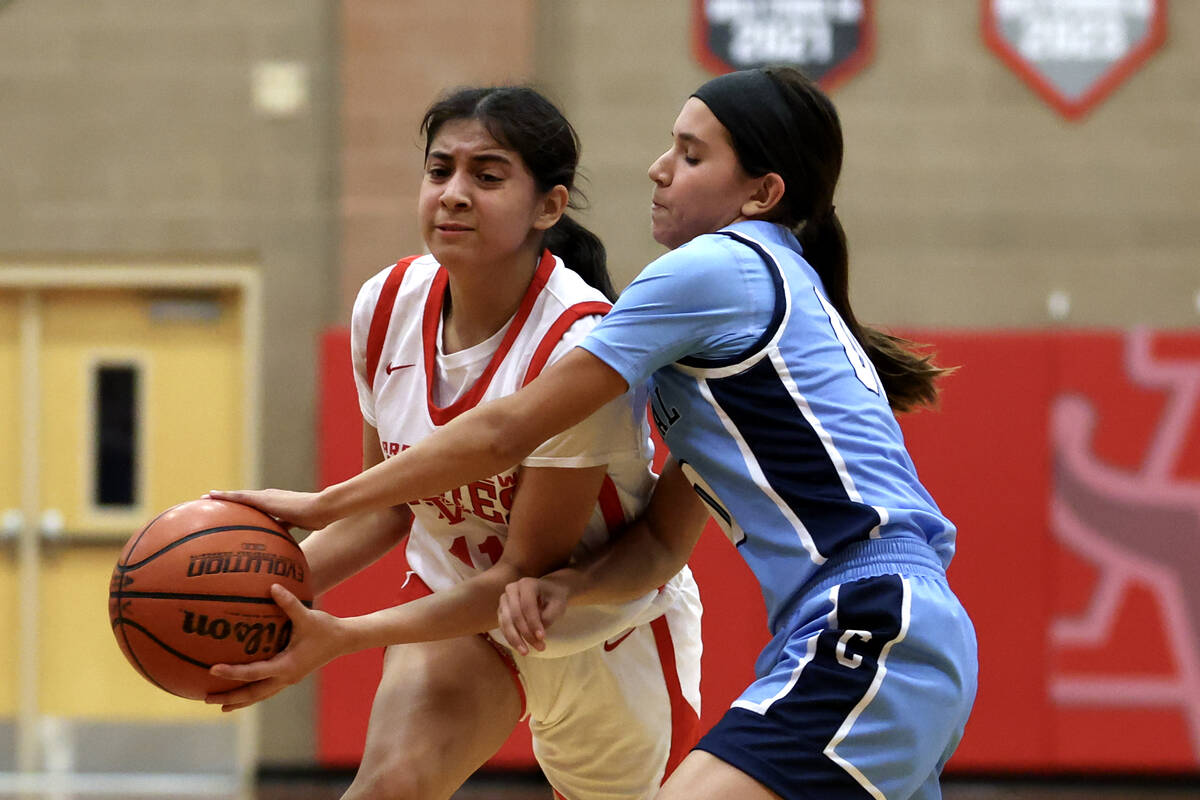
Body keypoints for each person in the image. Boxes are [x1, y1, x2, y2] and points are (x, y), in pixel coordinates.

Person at [214, 67, 978, 800]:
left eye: (689, 153)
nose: (657, 169)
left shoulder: (712, 271)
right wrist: (572, 585)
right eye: (438, 168)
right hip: (875, 626)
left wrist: (320, 507)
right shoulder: (743, 343)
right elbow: (659, 538)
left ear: (760, 193)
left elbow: (504, 431)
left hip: (865, 621)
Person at [206, 85, 703, 800]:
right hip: (459, 608)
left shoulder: (577, 348)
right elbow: (388, 507)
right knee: (390, 788)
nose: (455, 194)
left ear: (549, 207)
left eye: (487, 175)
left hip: (598, 623)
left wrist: (339, 635)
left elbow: (523, 577)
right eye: (440, 171)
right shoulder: (385, 308)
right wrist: (258, 595)